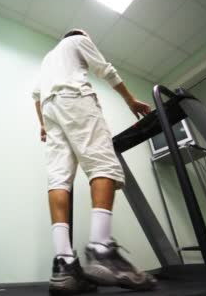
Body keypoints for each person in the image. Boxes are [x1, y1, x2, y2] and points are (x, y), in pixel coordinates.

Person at [32, 29, 158, 294]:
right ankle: (101, 248)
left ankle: (64, 263)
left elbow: (36, 96)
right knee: (102, 164)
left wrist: (44, 124)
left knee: (59, 179)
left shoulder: (47, 58)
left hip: (51, 111)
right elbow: (106, 70)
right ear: (79, 35)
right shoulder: (78, 40)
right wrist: (130, 100)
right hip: (74, 98)